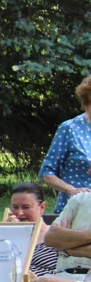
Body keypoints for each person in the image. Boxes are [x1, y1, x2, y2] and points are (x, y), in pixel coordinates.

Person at [39, 74, 91, 213]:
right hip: (75, 211)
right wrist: (72, 190)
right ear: (86, 104)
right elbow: (46, 173)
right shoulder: (70, 128)